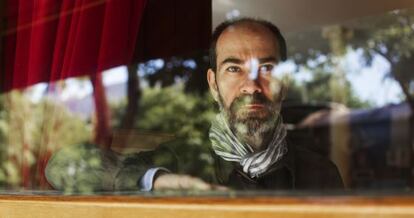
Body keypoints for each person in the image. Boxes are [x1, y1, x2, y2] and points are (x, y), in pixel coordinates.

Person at [45, 17, 343, 192]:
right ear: (213, 85)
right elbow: (62, 165)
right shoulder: (181, 159)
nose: (251, 86)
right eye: (234, 69)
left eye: (266, 69)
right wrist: (156, 179)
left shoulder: (321, 174)